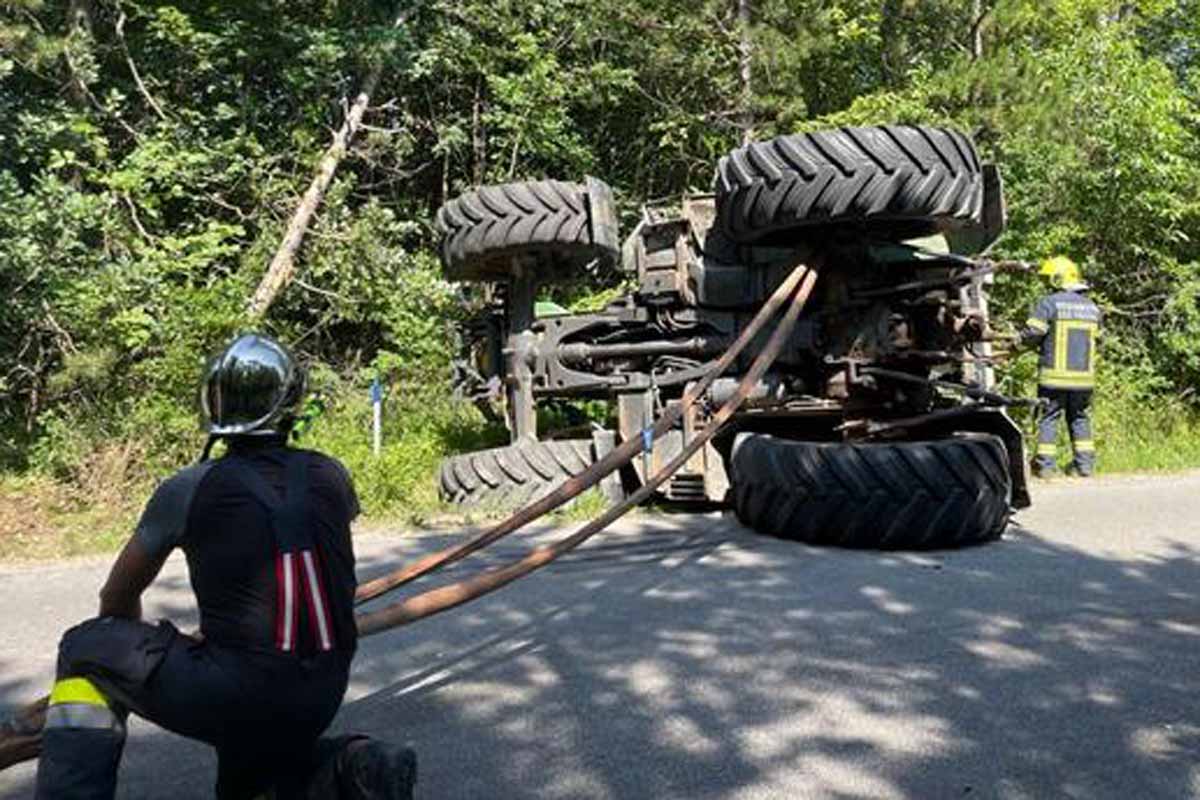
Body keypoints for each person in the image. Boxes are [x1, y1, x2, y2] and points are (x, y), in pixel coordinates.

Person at [34, 333, 416, 799]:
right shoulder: (333, 475)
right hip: (323, 688)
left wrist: (127, 669)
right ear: (290, 402)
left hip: (242, 691)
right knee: (248, 784)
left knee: (85, 647)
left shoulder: (188, 488)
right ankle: (351, 764)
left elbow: (115, 599)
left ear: (214, 404)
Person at [1021, 256, 1102, 477]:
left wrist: (1015, 345)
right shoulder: (1093, 307)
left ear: (1058, 279)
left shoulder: (1049, 303)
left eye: (1049, 279)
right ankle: (1084, 466)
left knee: (1049, 418)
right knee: (1079, 418)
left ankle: (1046, 467)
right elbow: (1099, 341)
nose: (1047, 283)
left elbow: (1032, 334)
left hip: (1053, 378)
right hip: (1084, 380)